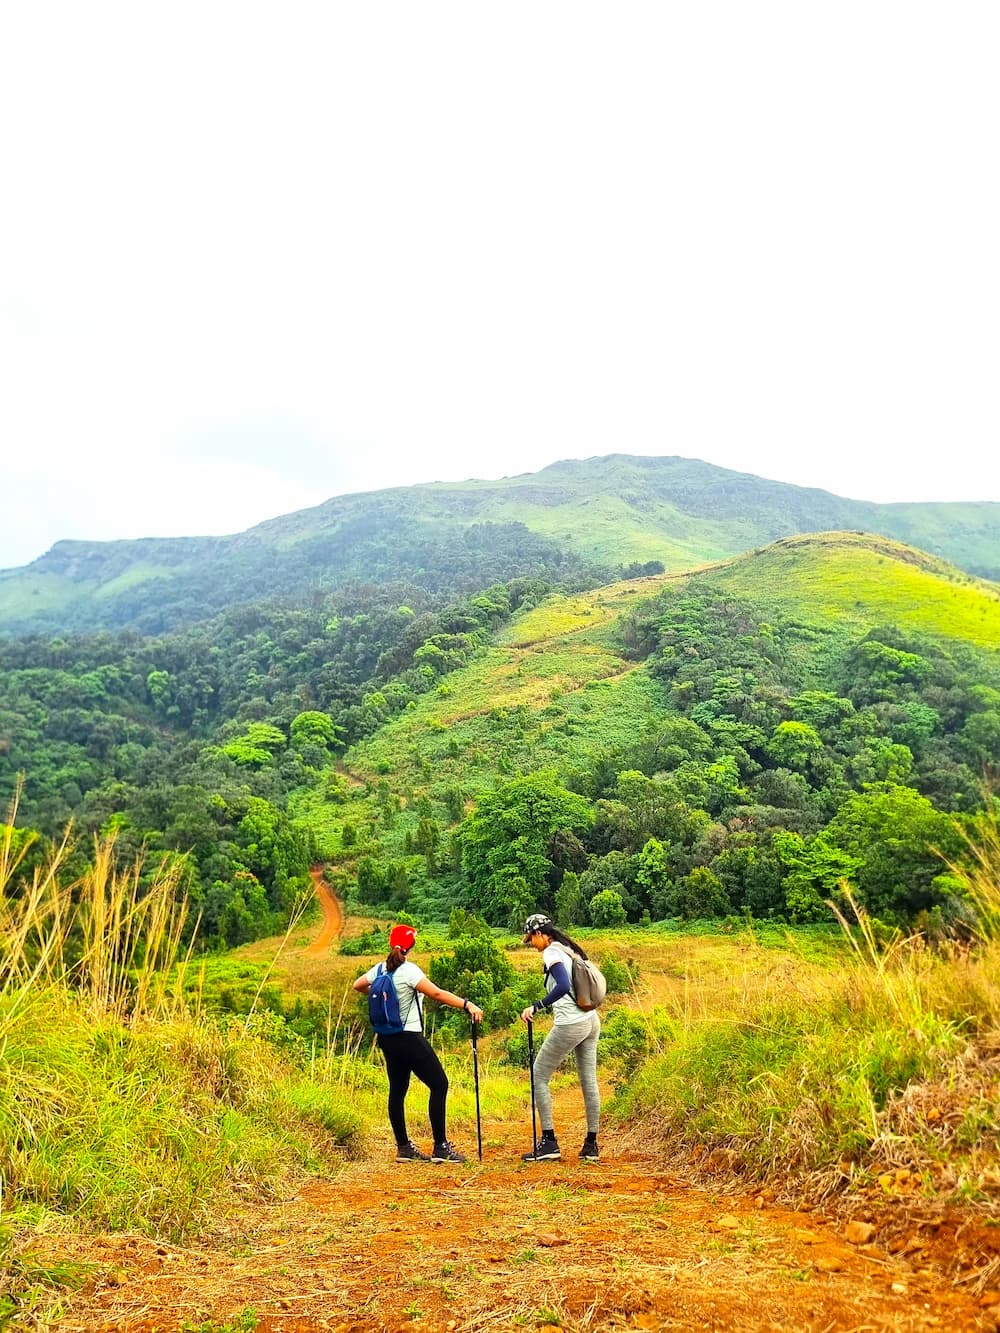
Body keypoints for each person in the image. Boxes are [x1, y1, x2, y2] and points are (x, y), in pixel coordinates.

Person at [353, 923, 484, 1163]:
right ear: (410, 946)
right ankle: (441, 1147)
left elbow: (358, 986)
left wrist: (383, 993)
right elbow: (436, 994)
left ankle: (403, 1147)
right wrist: (467, 1004)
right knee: (439, 1084)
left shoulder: (380, 969)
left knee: (397, 1090)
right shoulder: (409, 971)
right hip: (409, 1037)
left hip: (387, 1038)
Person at [519, 913, 601, 1162]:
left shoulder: (552, 953)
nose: (532, 944)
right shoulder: (567, 949)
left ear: (540, 934)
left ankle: (549, 1143)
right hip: (591, 1020)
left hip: (570, 1023)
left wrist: (537, 1005)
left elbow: (564, 985)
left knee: (538, 1075)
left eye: (531, 939)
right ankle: (591, 1145)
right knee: (588, 1080)